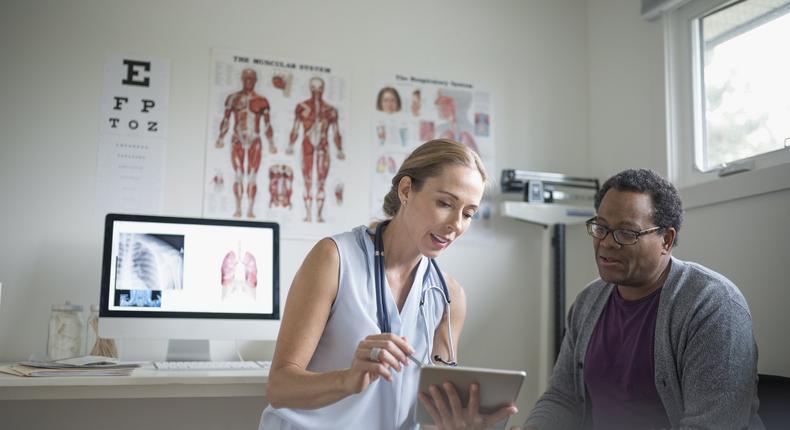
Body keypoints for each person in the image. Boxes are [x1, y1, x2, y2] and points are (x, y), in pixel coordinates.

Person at [260, 139, 517, 429]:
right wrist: (346, 380)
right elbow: (280, 387)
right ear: (406, 190)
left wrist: (460, 422)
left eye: (468, 214)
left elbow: (432, 411)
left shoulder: (449, 297)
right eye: (445, 203)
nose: (456, 225)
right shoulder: (334, 259)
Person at [517, 169, 762, 430]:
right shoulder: (588, 301)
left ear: (666, 241)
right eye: (600, 228)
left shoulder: (712, 306)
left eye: (626, 233)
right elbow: (563, 399)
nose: (606, 243)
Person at [215, 68, 277, 219]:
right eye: (246, 78)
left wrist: (271, 143)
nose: (248, 81)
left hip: (254, 139)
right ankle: (238, 209)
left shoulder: (262, 101)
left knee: (252, 176)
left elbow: (267, 124)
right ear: (242, 79)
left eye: (251, 79)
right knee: (238, 175)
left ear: (255, 80)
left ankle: (249, 209)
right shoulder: (233, 98)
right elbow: (226, 120)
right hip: (237, 139)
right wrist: (221, 138)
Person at [287, 76, 345, 223]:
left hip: (323, 147)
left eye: (319, 89)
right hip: (307, 146)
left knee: (321, 183)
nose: (316, 92)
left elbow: (336, 132)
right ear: (310, 89)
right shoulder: (302, 107)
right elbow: (295, 128)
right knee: (307, 181)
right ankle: (308, 215)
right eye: (314, 88)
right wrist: (290, 145)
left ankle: (318, 216)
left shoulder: (330, 111)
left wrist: (339, 149)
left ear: (323, 89)